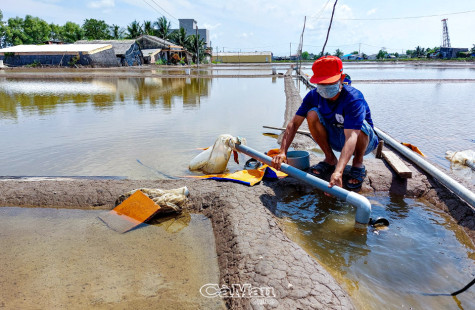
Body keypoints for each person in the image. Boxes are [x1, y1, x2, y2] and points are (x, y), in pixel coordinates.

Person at [271, 56, 378, 189]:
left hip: (362, 140)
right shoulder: (313, 96)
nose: (325, 87)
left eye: (330, 83)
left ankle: (357, 163)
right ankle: (330, 158)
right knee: (311, 114)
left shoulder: (353, 98)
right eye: (322, 83)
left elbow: (351, 136)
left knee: (359, 126)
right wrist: (282, 151)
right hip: (336, 137)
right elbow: (294, 123)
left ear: (341, 79)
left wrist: (338, 172)